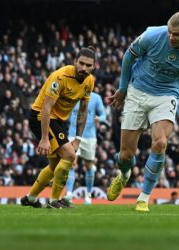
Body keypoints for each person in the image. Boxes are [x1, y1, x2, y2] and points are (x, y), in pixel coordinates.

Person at [106, 12, 179, 212]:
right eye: (171, 33)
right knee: (126, 155)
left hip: (166, 95)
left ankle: (143, 198)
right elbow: (129, 56)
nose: (172, 37)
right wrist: (122, 89)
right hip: (137, 92)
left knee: (161, 142)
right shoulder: (152, 35)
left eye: (177, 35)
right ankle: (124, 174)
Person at [20, 46, 96, 209]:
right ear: (75, 62)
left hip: (59, 120)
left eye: (88, 65)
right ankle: (55, 201)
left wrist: (78, 139)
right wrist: (45, 138)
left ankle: (30, 198)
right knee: (69, 156)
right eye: (81, 63)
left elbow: (83, 111)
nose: (84, 68)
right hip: (41, 117)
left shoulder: (89, 81)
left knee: (55, 165)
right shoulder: (60, 77)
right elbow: (46, 108)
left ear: (94, 66)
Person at [65, 92, 107, 205]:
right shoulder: (72, 94)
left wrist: (100, 118)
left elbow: (104, 114)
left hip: (89, 137)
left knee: (89, 166)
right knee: (71, 163)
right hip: (73, 135)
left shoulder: (96, 98)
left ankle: (88, 195)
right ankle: (69, 193)